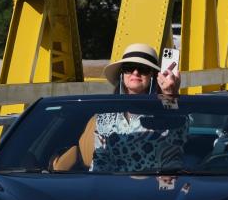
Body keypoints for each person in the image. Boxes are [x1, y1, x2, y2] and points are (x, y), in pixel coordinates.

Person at [50, 43, 182, 171]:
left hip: (156, 188)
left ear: (153, 76)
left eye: (143, 68)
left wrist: (170, 95)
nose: (135, 72)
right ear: (122, 74)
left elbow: (177, 133)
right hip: (113, 188)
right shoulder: (105, 118)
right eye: (129, 67)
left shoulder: (164, 114)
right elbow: (100, 162)